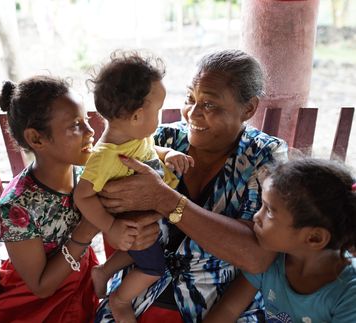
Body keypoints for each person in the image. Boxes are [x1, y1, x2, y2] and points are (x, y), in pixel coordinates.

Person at [95, 49, 288, 322]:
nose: (192, 114)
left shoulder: (262, 156)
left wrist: (165, 199)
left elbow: (257, 256)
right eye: (190, 99)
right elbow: (102, 191)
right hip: (134, 299)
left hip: (216, 307)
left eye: (209, 105)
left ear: (248, 109)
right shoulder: (160, 141)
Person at [0, 75, 160, 323]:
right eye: (76, 125)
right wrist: (85, 232)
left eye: (86, 120)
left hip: (83, 287)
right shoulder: (17, 207)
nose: (90, 131)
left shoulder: (86, 174)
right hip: (35, 307)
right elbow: (40, 287)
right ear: (36, 138)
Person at [74, 51, 193, 323]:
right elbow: (83, 195)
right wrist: (111, 226)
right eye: (158, 110)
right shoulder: (105, 156)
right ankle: (121, 300)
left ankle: (103, 272)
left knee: (143, 249)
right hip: (134, 223)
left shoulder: (133, 137)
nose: (160, 117)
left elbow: (148, 150)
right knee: (153, 267)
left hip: (151, 219)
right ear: (138, 116)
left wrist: (167, 154)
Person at [204, 158, 356, 322]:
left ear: (314, 238)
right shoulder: (270, 260)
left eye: (269, 211)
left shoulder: (348, 292)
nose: (256, 217)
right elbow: (228, 310)